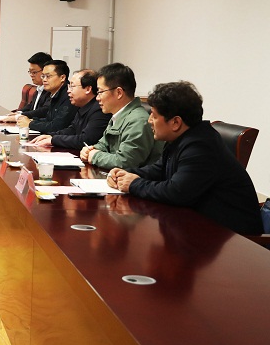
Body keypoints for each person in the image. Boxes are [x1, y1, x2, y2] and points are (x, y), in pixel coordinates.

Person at [108, 81, 262, 235]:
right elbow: (159, 169)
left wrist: (134, 184)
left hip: (235, 238)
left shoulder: (201, 146)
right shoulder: (182, 138)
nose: (149, 121)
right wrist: (125, 174)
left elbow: (176, 192)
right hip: (200, 228)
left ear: (176, 122)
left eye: (153, 115)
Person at [80, 62, 163, 170]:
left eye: (100, 92)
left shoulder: (138, 121)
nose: (97, 98)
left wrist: (95, 156)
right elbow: (104, 144)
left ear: (119, 92)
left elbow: (125, 162)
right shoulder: (118, 115)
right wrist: (90, 150)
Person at [33, 69, 110, 149]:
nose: (68, 91)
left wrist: (53, 140)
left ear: (88, 89)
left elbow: (85, 140)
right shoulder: (82, 106)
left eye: (72, 86)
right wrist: (51, 136)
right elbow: (72, 130)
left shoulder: (99, 109)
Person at [17, 59, 77, 133]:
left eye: (48, 76)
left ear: (62, 78)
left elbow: (57, 126)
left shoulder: (69, 95)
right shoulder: (55, 93)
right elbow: (49, 119)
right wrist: (31, 120)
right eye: (43, 76)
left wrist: (30, 124)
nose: (44, 80)